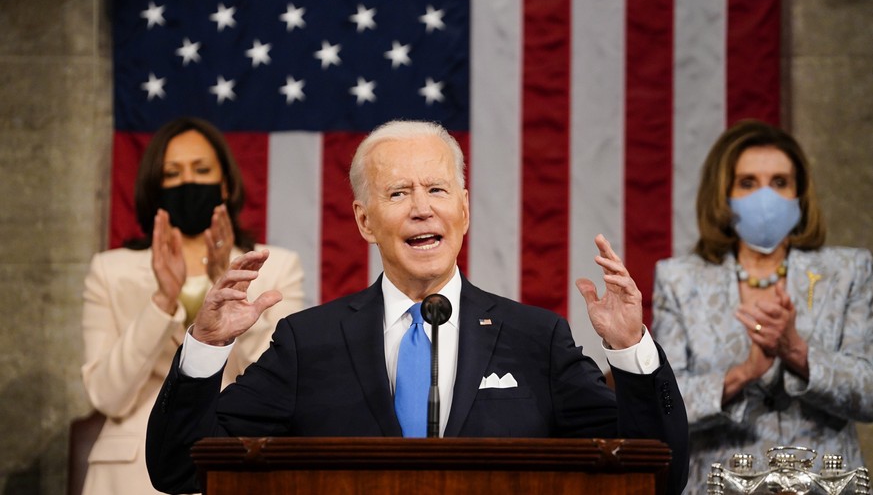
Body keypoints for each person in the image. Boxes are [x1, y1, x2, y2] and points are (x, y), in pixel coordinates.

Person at [146, 119, 689, 494]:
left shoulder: (536, 339)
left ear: (465, 209)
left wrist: (630, 350)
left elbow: (656, 473)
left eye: (437, 189)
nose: (423, 210)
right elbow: (178, 468)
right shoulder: (308, 343)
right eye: (399, 193)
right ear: (364, 221)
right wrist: (206, 347)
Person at [81, 117, 305, 495]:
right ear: (156, 186)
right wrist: (161, 302)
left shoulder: (277, 266)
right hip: (130, 475)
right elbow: (106, 396)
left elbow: (285, 382)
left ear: (225, 183)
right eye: (173, 173)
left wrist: (231, 285)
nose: (189, 181)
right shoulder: (109, 269)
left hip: (240, 459)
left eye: (201, 170)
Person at [652, 119, 873, 493]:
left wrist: (798, 353)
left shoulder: (848, 271)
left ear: (800, 194)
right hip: (718, 485)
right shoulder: (679, 279)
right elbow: (664, 408)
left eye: (780, 183)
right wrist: (742, 374)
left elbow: (868, 393)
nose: (765, 198)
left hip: (825, 484)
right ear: (722, 194)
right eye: (748, 183)